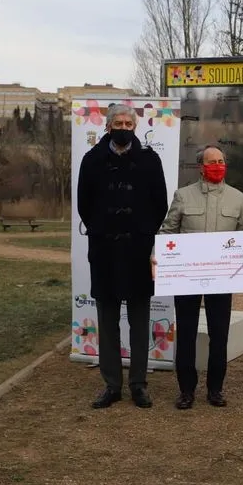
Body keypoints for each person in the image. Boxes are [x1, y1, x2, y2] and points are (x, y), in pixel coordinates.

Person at [76, 104, 168, 410]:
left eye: (129, 122)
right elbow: (84, 205)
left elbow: (160, 204)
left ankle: (138, 384)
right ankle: (111, 384)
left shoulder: (150, 160)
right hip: (104, 250)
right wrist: (105, 229)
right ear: (108, 125)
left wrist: (141, 233)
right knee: (108, 320)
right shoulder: (91, 160)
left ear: (135, 126)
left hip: (138, 250)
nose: (124, 127)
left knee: (141, 320)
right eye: (119, 122)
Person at [154, 144, 243, 410]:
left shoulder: (238, 198)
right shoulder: (183, 196)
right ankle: (186, 390)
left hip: (222, 279)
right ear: (201, 166)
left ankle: (215, 389)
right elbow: (168, 230)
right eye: (212, 162)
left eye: (221, 161)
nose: (217, 165)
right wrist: (159, 254)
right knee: (186, 332)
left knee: (219, 334)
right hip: (187, 278)